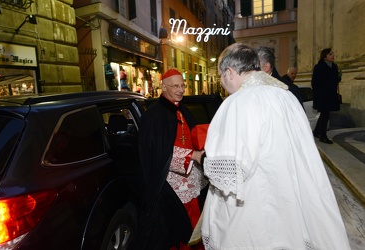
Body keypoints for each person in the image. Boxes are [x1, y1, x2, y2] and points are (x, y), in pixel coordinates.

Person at [201, 43, 350, 250]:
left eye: (221, 76)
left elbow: (231, 172)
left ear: (230, 72)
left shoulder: (238, 102)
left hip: (254, 211)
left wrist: (201, 158)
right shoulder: (286, 96)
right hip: (288, 204)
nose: (222, 82)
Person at [136, 68, 208, 249]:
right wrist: (192, 156)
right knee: (174, 229)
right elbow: (157, 154)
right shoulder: (153, 115)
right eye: (175, 86)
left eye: (182, 85)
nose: (181, 90)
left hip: (191, 180)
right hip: (168, 185)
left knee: (195, 222)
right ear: (164, 87)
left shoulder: (183, 109)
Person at [312, 48, 341, 144]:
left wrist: (338, 78)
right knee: (325, 115)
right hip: (322, 95)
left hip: (331, 94)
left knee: (325, 114)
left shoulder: (334, 66)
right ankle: (323, 136)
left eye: (333, 54)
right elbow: (315, 83)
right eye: (330, 54)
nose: (333, 55)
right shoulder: (319, 67)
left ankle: (316, 132)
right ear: (325, 56)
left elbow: (334, 81)